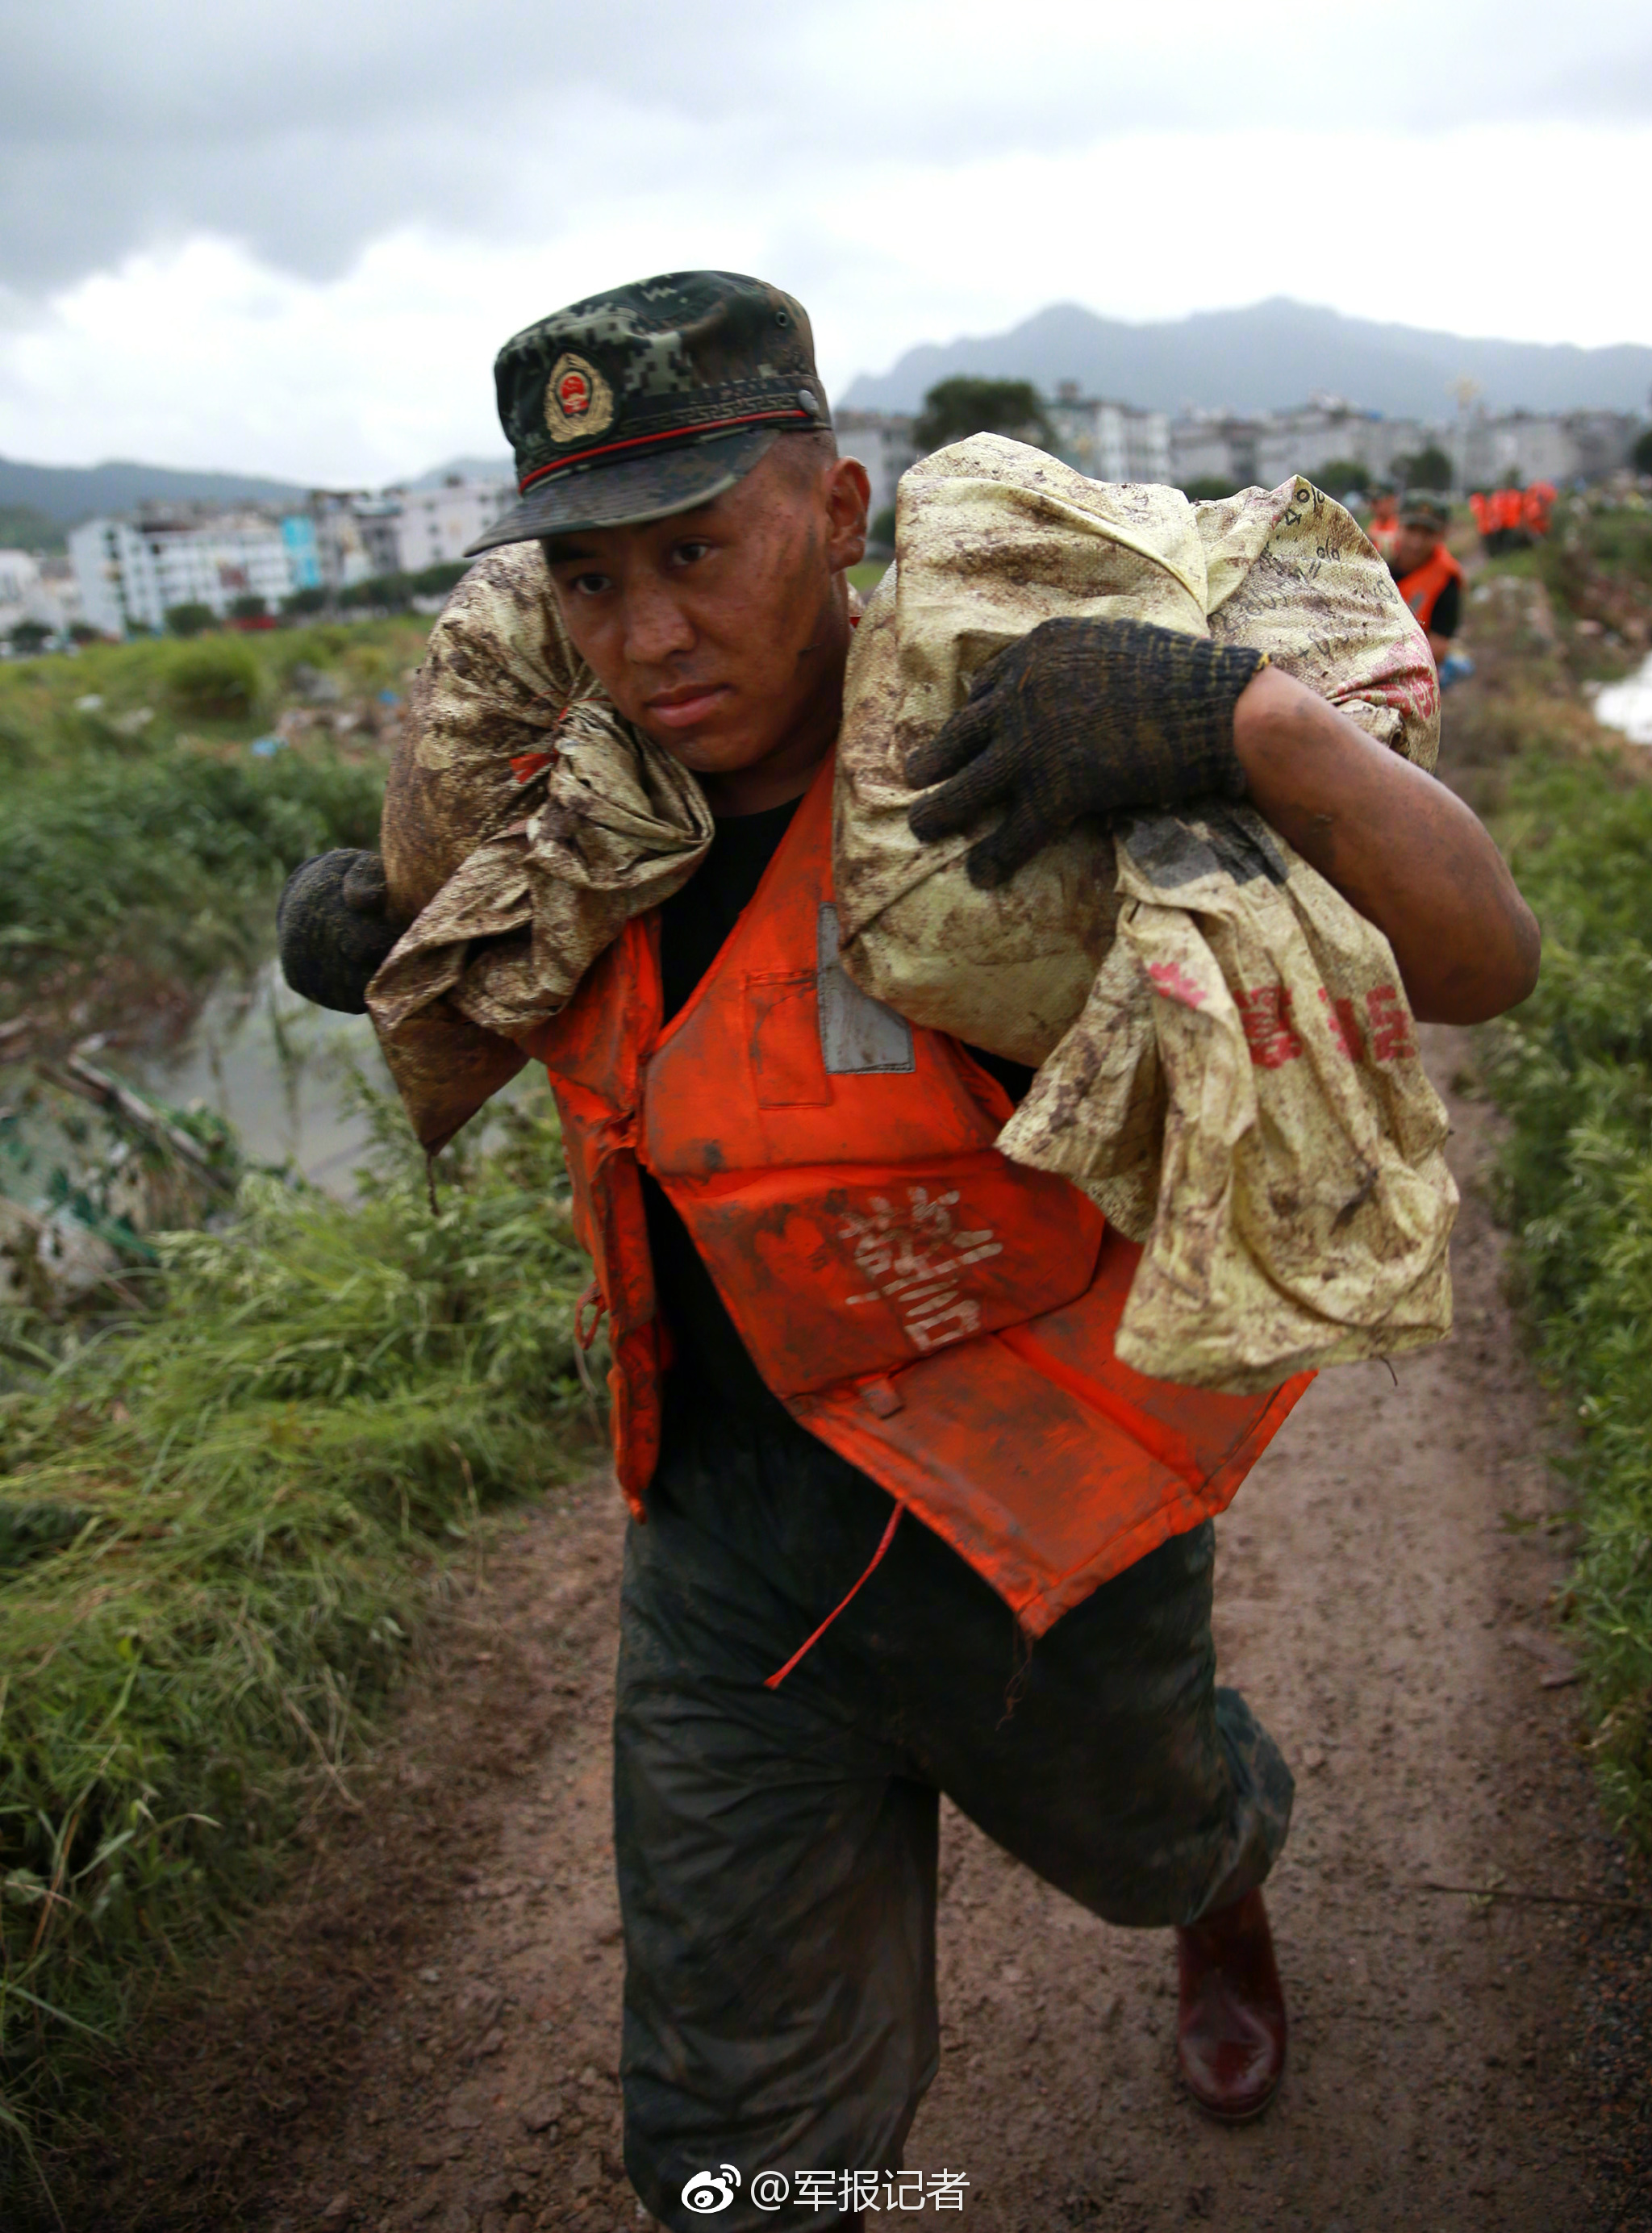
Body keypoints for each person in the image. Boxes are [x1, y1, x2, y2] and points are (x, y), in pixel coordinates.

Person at [278, 273, 1539, 2232]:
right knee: (730, 2137)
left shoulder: (1011, 756)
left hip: (1036, 1520)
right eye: (590, 581)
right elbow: (644, 1047)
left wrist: (1252, 724)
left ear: (842, 514)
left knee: (1145, 1834)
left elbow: (1481, 961)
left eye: (696, 550)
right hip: (714, 1532)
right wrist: (405, 939)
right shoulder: (578, 812)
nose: (648, 632)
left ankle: (1215, 1898)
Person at [1389, 498, 1465, 667]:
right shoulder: (1376, 560)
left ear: (1442, 535)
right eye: (1411, 530)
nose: (1417, 543)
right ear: (1398, 527)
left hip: (1407, 667)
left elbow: (1437, 648)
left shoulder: (1447, 579)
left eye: (1428, 533)